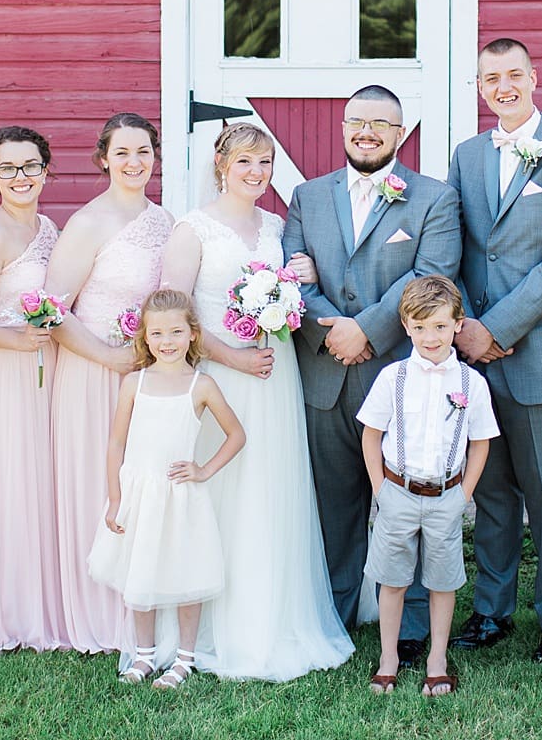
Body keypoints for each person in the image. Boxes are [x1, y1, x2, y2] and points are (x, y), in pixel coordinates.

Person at [159, 122, 353, 680]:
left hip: (274, 376)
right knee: (221, 493)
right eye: (244, 161)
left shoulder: (278, 227)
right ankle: (209, 627)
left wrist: (303, 273)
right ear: (221, 165)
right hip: (221, 378)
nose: (256, 172)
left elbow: (299, 288)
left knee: (270, 490)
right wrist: (232, 357)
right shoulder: (192, 230)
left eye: (265, 162)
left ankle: (272, 616)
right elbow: (173, 314)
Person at [283, 84, 462, 661]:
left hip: (400, 374)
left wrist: (367, 330)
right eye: (357, 121)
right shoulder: (308, 196)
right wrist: (332, 330)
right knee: (334, 505)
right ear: (343, 127)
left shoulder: (434, 198)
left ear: (399, 133)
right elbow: (291, 276)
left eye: (380, 124)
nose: (367, 132)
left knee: (407, 502)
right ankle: (333, 616)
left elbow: (431, 275)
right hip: (326, 372)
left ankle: (411, 627)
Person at [446, 38, 542, 663]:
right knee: (490, 488)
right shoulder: (467, 154)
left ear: (534, 78)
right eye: (491, 78)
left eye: (513, 75)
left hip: (535, 349)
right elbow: (454, 246)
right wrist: (465, 326)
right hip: (471, 350)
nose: (503, 87)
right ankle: (491, 610)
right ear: (480, 86)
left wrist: (498, 328)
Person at [45, 112, 173, 653]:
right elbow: (51, 311)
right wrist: (108, 357)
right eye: (122, 152)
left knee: (142, 484)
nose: (134, 162)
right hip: (94, 373)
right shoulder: (88, 222)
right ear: (103, 159)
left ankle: (141, 604)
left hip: (146, 378)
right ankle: (95, 610)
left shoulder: (165, 221)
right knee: (97, 483)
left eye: (143, 151)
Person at [89, 289, 245, 690]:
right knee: (140, 570)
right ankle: (144, 654)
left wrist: (203, 470)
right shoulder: (134, 383)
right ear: (145, 336)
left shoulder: (201, 385)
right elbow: (116, 444)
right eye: (157, 333)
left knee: (185, 572)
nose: (167, 341)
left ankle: (185, 659)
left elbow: (236, 435)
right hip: (139, 494)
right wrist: (116, 498)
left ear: (193, 333)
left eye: (176, 332)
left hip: (180, 498)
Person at [359, 276, 497, 697]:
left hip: (445, 496)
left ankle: (437, 659)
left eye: (439, 326)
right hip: (397, 494)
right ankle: (388, 658)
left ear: (458, 324)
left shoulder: (471, 383)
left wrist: (464, 495)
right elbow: (371, 435)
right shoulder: (393, 377)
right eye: (419, 327)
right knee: (393, 580)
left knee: (442, 581)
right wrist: (381, 491)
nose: (430, 337)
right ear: (406, 326)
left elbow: (481, 441)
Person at [0, 126, 65, 654]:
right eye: (8, 168)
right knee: (10, 480)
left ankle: (43, 599)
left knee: (39, 480)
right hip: (4, 372)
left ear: (46, 170)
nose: (20, 177)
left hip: (43, 368)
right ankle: (10, 611)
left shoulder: (48, 227)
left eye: (30, 166)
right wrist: (16, 341)